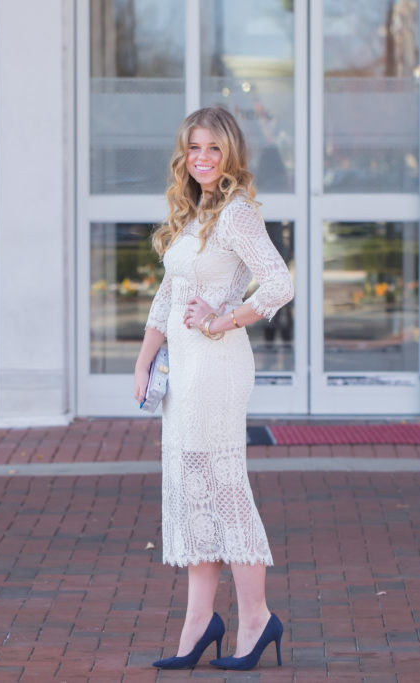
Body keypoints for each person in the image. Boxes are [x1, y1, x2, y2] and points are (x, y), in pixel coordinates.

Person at [133, 106, 294, 671]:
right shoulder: (195, 210)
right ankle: (199, 625)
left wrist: (224, 317)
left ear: (230, 155)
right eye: (193, 148)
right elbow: (168, 293)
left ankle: (256, 620)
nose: (202, 158)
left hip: (217, 368)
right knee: (194, 491)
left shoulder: (236, 214)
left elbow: (280, 282)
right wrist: (145, 358)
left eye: (213, 149)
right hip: (184, 370)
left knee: (224, 491)